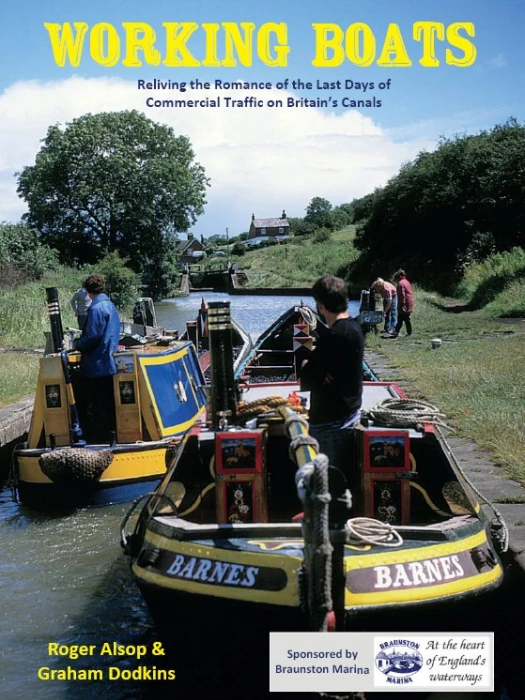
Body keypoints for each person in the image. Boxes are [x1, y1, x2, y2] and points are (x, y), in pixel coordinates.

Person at [297, 275, 364, 480]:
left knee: (327, 483)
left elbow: (305, 378)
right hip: (349, 414)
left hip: (329, 424)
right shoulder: (355, 328)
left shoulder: (333, 336)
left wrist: (308, 364)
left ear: (321, 306)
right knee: (338, 480)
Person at [74, 274, 121, 443]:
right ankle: (111, 436)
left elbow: (93, 336)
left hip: (97, 364)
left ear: (87, 291)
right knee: (109, 403)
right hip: (109, 362)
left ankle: (97, 439)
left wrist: (77, 344)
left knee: (95, 403)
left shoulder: (95, 309)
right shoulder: (110, 306)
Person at [390, 269, 414, 337]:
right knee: (401, 317)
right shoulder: (407, 281)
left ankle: (409, 332)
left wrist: (402, 304)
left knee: (406, 318)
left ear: (399, 276)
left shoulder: (401, 283)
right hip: (409, 302)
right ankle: (396, 331)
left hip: (404, 303)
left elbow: (402, 295)